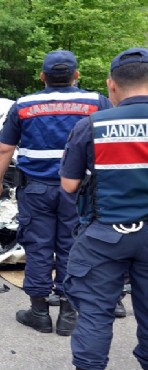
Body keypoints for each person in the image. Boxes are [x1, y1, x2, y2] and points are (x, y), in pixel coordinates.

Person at [0, 50, 112, 336]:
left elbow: (5, 148)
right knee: (73, 248)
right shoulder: (96, 103)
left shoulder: (24, 105)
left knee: (39, 248)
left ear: (42, 76)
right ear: (76, 75)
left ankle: (39, 313)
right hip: (79, 191)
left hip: (36, 190)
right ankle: (68, 315)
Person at [60, 47, 148, 369]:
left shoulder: (91, 125)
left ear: (111, 85)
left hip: (103, 237)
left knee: (95, 313)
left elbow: (69, 186)